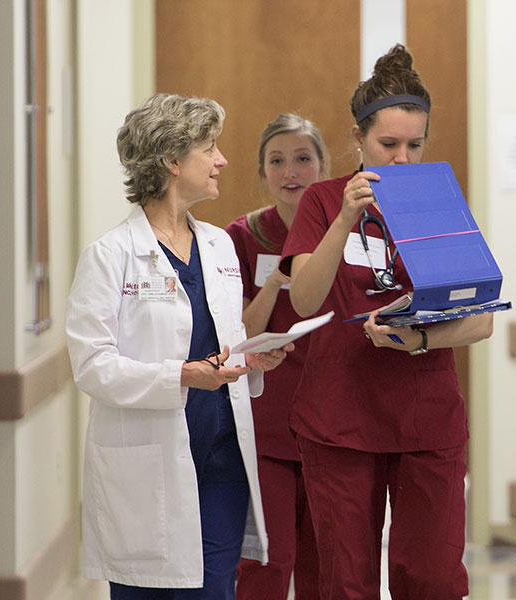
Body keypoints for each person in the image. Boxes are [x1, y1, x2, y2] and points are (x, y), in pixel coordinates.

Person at [280, 44, 492, 599]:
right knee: (345, 581)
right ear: (357, 139)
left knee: (432, 578)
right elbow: (304, 299)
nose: (401, 158)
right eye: (387, 144)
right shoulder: (323, 202)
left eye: (414, 145)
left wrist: (417, 339)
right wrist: (347, 217)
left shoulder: (439, 202)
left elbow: (480, 322)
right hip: (341, 418)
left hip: (427, 418)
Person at [66, 93, 292, 599]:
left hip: (221, 460)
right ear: (172, 160)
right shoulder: (110, 256)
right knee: (148, 592)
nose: (222, 160)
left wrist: (248, 359)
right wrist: (181, 376)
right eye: (209, 148)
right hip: (149, 466)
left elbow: (220, 345)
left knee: (214, 590)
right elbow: (92, 366)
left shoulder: (219, 245)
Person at [226, 113, 328, 599]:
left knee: (323, 564)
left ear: (324, 166)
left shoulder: (343, 234)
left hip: (332, 419)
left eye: (303, 159)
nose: (291, 172)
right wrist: (274, 283)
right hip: (266, 421)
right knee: (269, 559)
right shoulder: (240, 237)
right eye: (277, 161)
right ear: (262, 171)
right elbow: (240, 332)